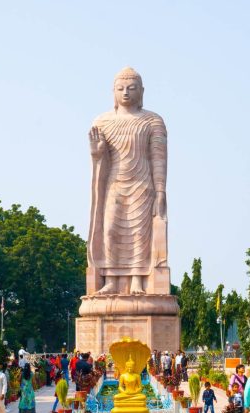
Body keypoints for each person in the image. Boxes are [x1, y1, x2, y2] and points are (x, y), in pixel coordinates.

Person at [87, 67, 168, 295]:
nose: (125, 93)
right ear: (113, 91)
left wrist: (160, 190)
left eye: (131, 89)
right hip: (115, 184)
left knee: (139, 234)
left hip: (142, 185)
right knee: (110, 230)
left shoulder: (152, 121)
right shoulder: (102, 122)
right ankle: (111, 279)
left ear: (141, 91)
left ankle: (136, 279)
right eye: (120, 89)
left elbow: (158, 158)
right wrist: (97, 154)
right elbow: (99, 161)